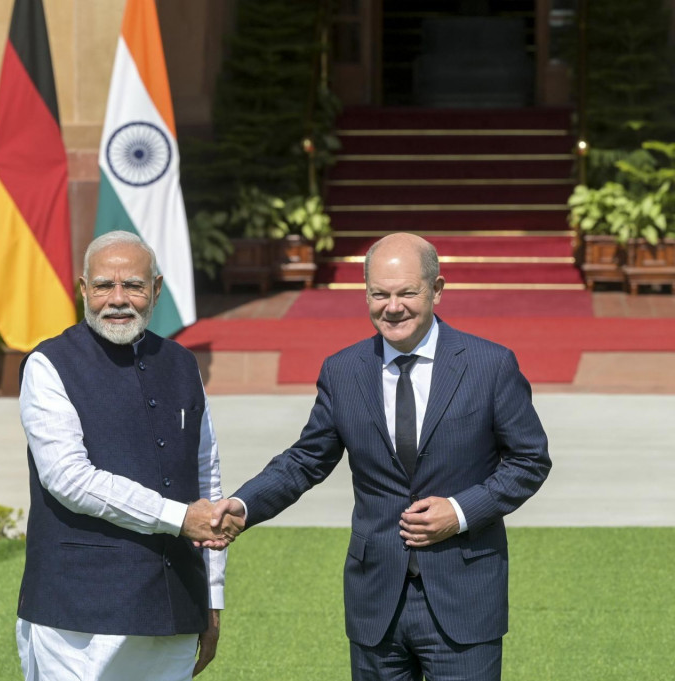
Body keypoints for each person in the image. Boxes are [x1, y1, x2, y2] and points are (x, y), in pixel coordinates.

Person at [210, 232, 551, 680]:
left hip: (465, 599)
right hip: (376, 604)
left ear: (437, 290)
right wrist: (244, 504)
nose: (393, 307)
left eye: (407, 292)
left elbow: (530, 460)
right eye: (379, 294)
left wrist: (461, 510)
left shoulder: (490, 366)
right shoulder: (343, 370)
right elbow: (306, 460)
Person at [16, 230, 229, 680]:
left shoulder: (183, 363)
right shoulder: (47, 365)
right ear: (82, 290)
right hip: (76, 616)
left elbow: (207, 480)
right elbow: (69, 479)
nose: (117, 299)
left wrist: (211, 597)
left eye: (132, 285)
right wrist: (176, 517)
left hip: (173, 606)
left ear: (156, 289)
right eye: (103, 286)